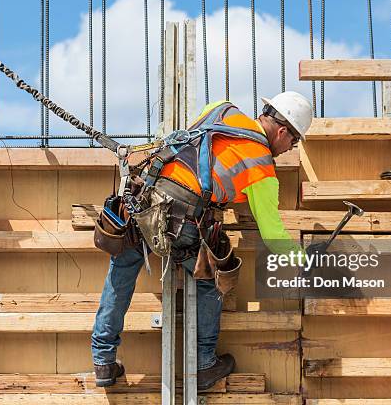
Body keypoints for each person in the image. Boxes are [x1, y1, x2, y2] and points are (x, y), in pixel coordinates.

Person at [92, 91, 314, 390]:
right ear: (283, 131)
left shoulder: (221, 110)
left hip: (144, 198)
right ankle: (204, 363)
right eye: (294, 142)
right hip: (179, 222)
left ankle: (103, 360)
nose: (290, 149)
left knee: (122, 269)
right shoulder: (262, 169)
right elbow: (274, 237)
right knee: (210, 281)